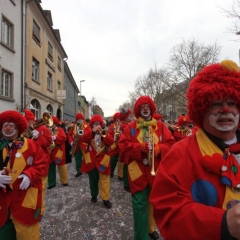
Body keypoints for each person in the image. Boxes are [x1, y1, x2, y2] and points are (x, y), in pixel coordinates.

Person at [150, 60, 240, 240]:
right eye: (216, 103)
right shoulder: (179, 154)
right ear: (201, 109)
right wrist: (222, 223)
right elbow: (168, 212)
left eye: (232, 102)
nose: (225, 109)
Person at [118, 96, 176, 240]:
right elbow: (123, 146)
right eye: (142, 106)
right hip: (137, 171)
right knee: (139, 206)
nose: (145, 108)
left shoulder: (161, 126)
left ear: (151, 109)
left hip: (156, 171)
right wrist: (140, 148)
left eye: (147, 106)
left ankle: (150, 229)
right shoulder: (131, 127)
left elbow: (171, 144)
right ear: (138, 109)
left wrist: (159, 149)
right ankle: (140, 237)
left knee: (153, 203)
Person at [0, 110, 47, 240]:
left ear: (18, 127)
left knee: (27, 235)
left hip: (23, 200)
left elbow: (41, 164)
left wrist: (29, 175)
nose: (8, 128)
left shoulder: (31, 145)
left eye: (11, 125)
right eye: (5, 125)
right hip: (2, 203)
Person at [80, 114, 114, 209]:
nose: (96, 125)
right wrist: (92, 132)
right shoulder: (89, 132)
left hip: (103, 160)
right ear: (92, 125)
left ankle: (105, 199)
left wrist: (104, 134)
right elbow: (83, 139)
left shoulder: (105, 132)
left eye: (98, 123)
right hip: (91, 160)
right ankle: (94, 195)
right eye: (94, 124)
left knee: (104, 181)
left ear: (101, 124)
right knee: (93, 180)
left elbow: (111, 142)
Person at [23, 109, 52, 215]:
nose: (28, 123)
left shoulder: (43, 128)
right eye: (26, 120)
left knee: (42, 188)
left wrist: (38, 137)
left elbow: (49, 142)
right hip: (26, 163)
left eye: (29, 121)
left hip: (41, 162)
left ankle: (40, 210)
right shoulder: (20, 130)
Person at [47, 116, 68, 189]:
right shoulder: (48, 130)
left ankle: (64, 181)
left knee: (62, 166)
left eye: (52, 123)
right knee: (51, 168)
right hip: (50, 151)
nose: (51, 125)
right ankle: (51, 183)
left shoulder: (60, 129)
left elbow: (64, 137)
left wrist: (55, 137)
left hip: (58, 150)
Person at [68, 113, 90, 177]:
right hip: (76, 145)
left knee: (87, 158)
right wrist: (71, 142)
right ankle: (79, 171)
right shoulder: (73, 127)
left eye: (81, 119)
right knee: (77, 159)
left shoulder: (86, 126)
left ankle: (88, 169)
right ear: (76, 120)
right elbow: (69, 135)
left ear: (83, 120)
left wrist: (83, 133)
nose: (79, 120)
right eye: (78, 119)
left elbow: (89, 132)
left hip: (84, 145)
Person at [118, 108, 132, 191]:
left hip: (128, 146)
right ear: (125, 117)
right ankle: (126, 184)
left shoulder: (127, 124)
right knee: (126, 165)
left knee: (127, 164)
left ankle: (127, 182)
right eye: (128, 115)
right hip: (126, 146)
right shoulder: (124, 125)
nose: (130, 117)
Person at [108, 112, 121, 178]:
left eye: (120, 119)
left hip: (121, 146)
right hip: (114, 145)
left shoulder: (123, 125)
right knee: (113, 160)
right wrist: (113, 138)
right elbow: (109, 134)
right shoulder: (112, 126)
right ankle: (111, 172)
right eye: (118, 119)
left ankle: (120, 175)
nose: (119, 120)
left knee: (121, 161)